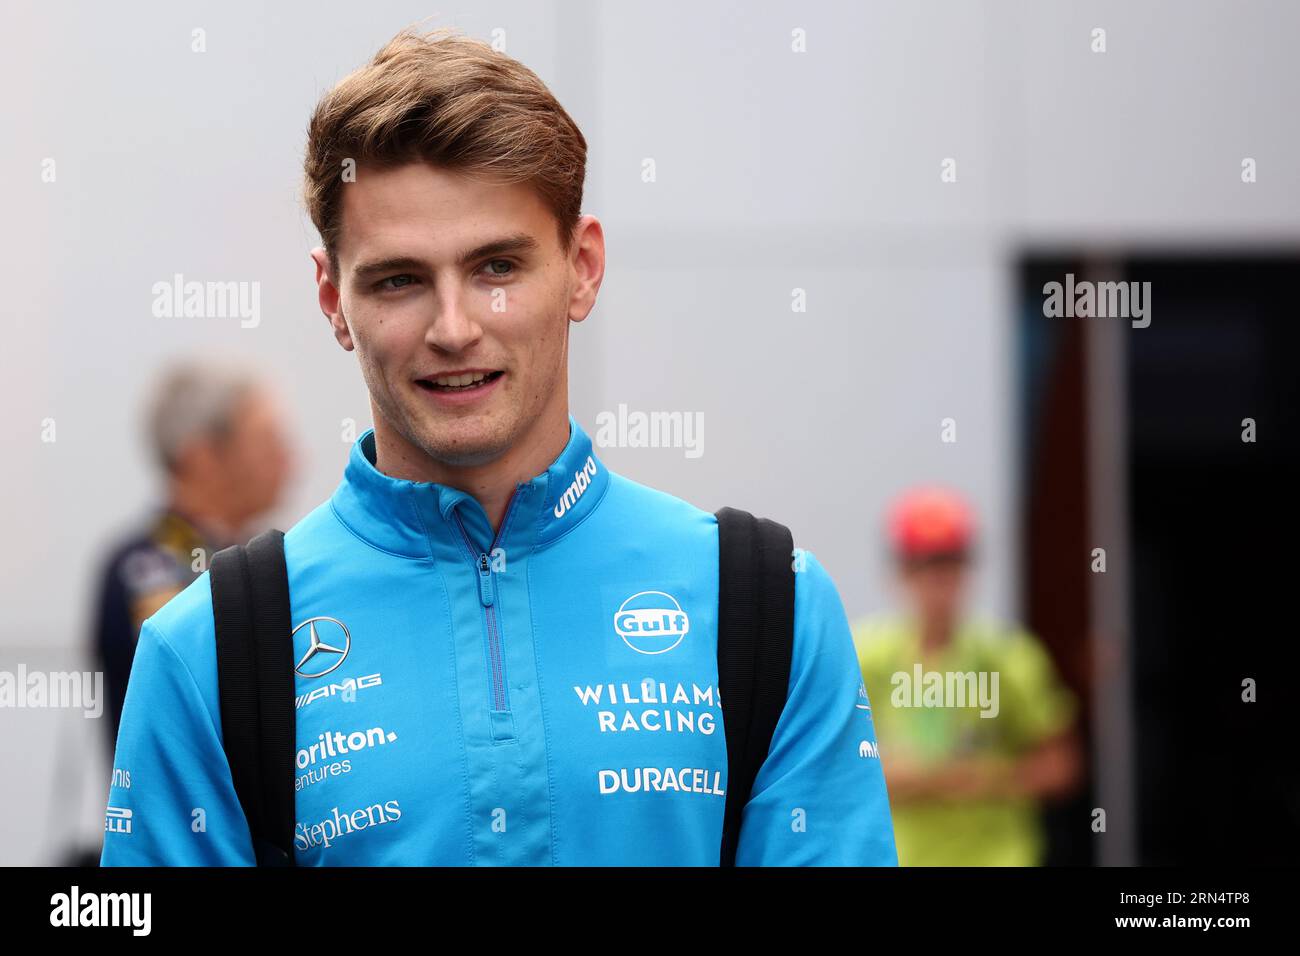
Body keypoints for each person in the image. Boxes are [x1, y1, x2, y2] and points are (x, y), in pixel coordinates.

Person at [100, 28, 896, 866]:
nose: (454, 328)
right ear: (334, 299)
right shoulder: (206, 652)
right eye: (399, 279)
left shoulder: (771, 606)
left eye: (498, 267)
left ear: (582, 267)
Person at [853, 486, 1081, 866]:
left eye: (948, 563)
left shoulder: (1007, 656)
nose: (937, 581)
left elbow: (1062, 766)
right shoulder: (868, 657)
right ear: (902, 571)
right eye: (923, 565)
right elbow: (830, 764)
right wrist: (889, 776)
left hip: (996, 858)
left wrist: (980, 780)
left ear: (965, 568)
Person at [92, 361, 295, 749]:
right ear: (200, 457)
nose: (288, 459)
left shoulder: (253, 558)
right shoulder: (144, 569)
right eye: (266, 441)